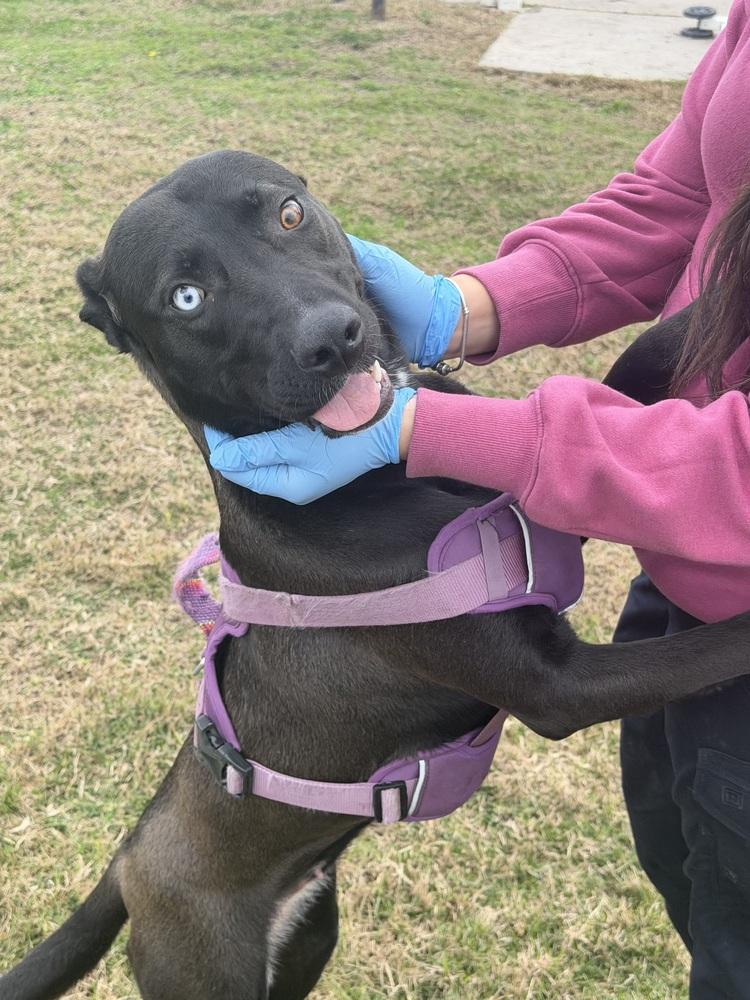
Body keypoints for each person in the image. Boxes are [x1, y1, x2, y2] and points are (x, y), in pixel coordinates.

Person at [205, 1, 750, 994]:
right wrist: (473, 303)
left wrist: (431, 431)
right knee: (697, 881)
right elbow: (687, 191)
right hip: (689, 580)